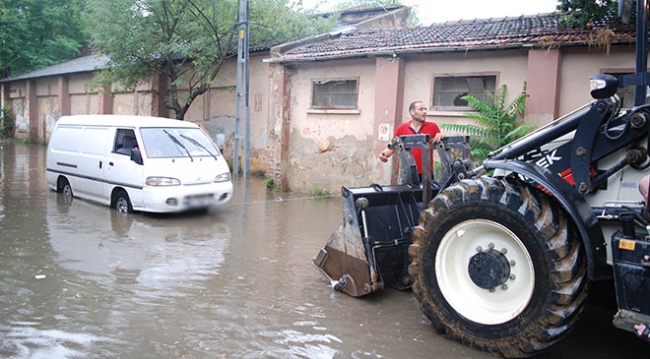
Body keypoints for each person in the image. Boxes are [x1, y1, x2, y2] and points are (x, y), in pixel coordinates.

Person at [378, 101, 444, 180]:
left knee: (428, 192)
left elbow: (442, 137)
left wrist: (441, 134)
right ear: (412, 112)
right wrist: (383, 155)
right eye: (421, 109)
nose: (424, 112)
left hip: (426, 173)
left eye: (425, 109)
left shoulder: (432, 126)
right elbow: (392, 147)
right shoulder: (401, 128)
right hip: (407, 173)